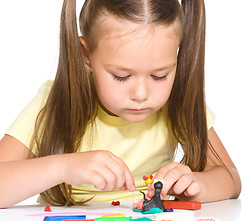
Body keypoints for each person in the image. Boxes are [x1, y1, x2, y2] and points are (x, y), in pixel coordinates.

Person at [0, 0, 241, 208]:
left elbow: (230, 179)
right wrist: (63, 167)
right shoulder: (54, 101)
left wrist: (196, 185)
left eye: (159, 76)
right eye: (121, 76)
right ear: (87, 55)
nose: (140, 94)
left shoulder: (177, 103)